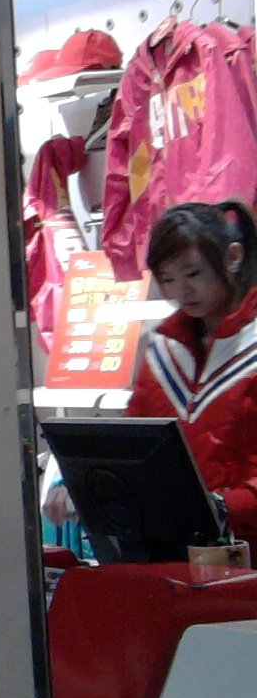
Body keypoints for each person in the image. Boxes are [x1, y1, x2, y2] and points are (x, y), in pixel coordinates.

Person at [123, 200, 257, 537]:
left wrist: (229, 506)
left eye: (193, 274)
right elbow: (133, 439)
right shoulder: (162, 349)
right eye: (167, 279)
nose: (181, 291)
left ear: (233, 257)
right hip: (179, 543)